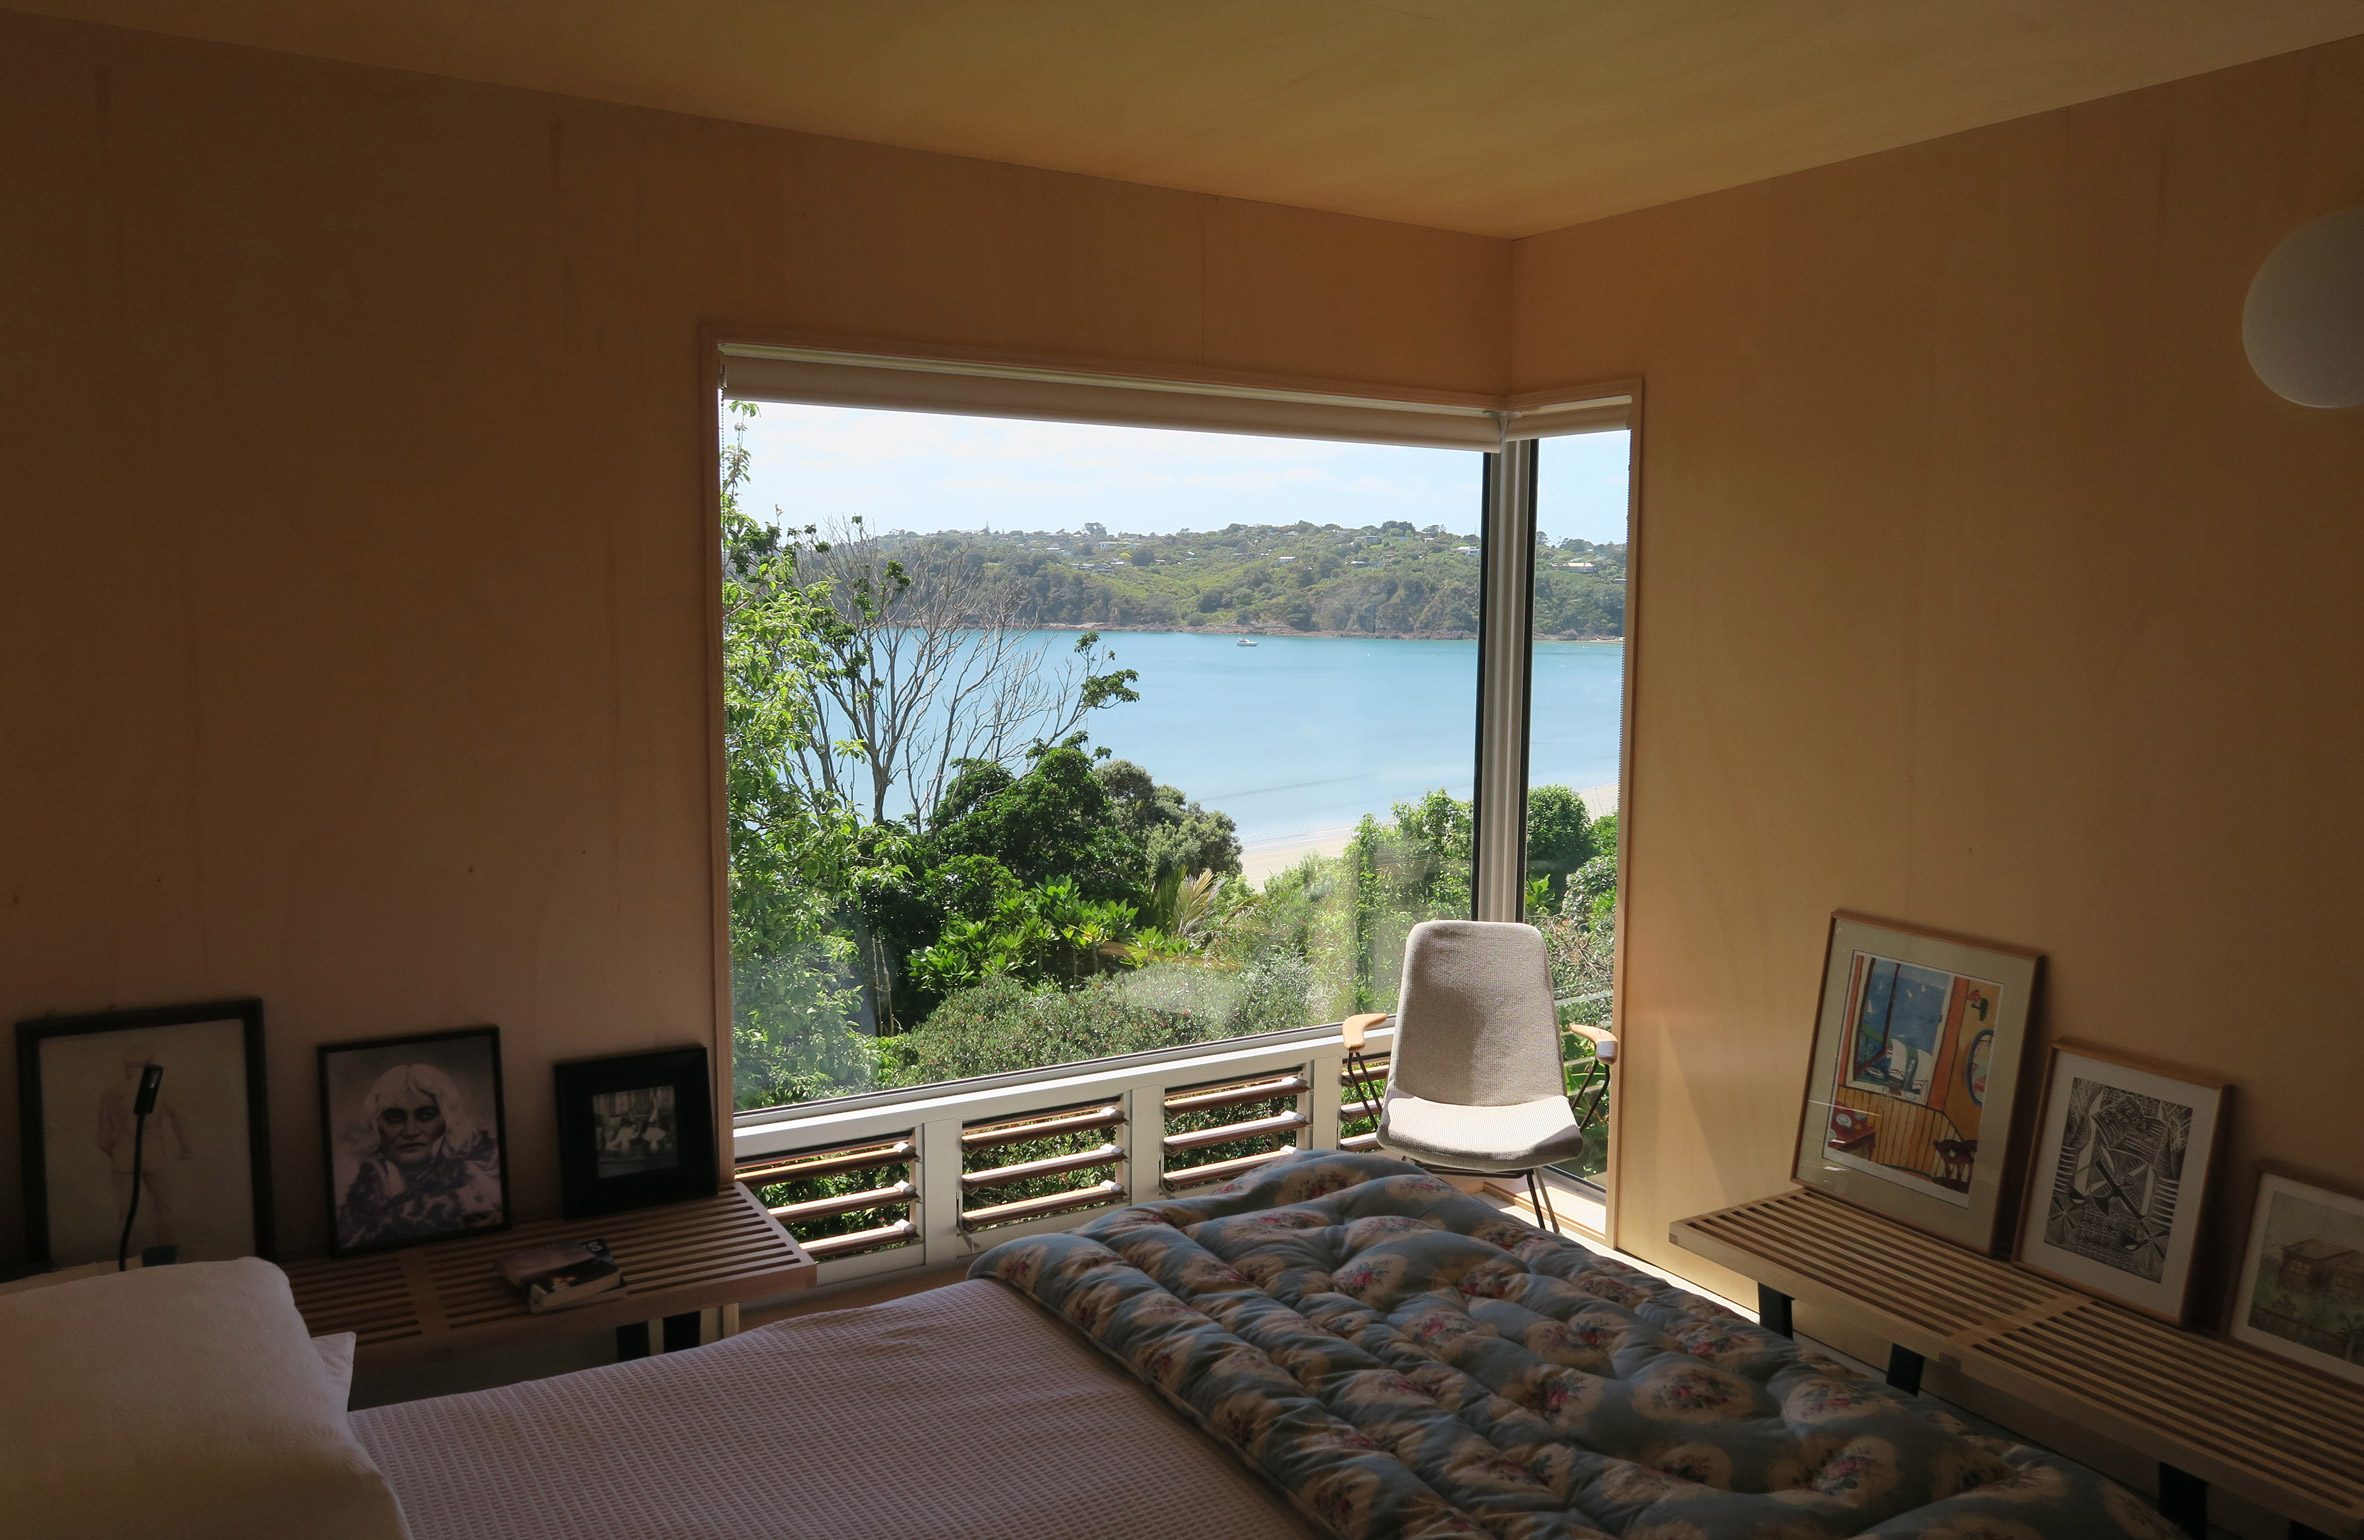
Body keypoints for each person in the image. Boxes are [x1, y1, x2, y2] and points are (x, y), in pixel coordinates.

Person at [337, 1063, 503, 1250]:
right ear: (376, 1127)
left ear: (448, 1122)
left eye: (425, 1115)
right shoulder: (362, 1197)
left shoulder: (475, 1188)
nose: (410, 1131)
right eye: (394, 1118)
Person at [97, 1045, 191, 1252]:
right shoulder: (162, 1091)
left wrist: (116, 1152)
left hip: (122, 1154)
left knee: (127, 1212)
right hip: (154, 1151)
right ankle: (167, 1258)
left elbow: (102, 1139)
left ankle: (128, 1260)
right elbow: (178, 1119)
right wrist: (186, 1149)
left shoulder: (112, 1094)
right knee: (163, 1207)